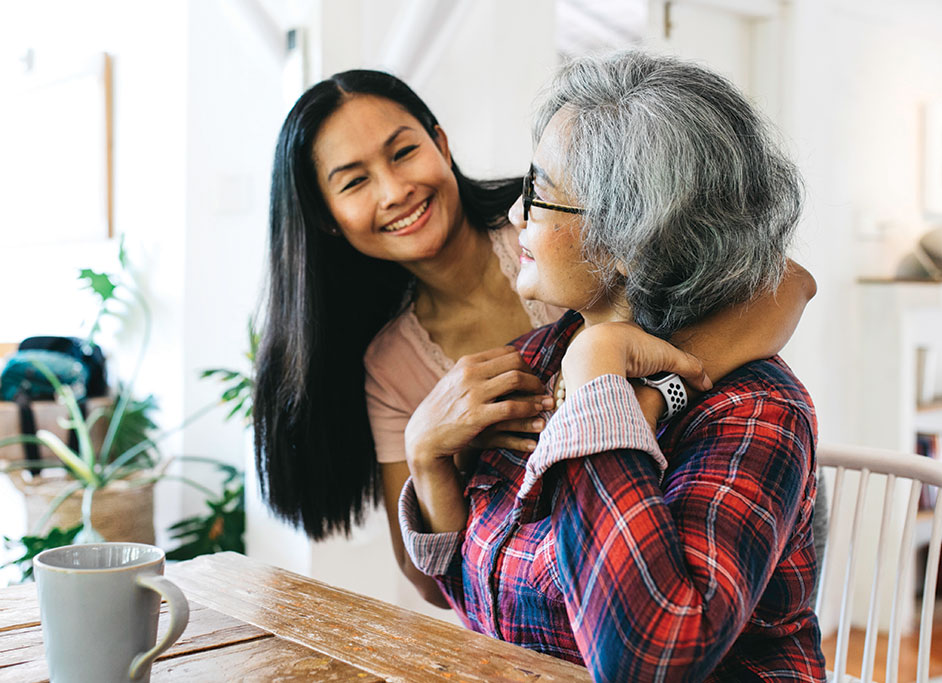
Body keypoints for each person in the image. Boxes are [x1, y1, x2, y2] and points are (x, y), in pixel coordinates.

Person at [252, 69, 817, 609]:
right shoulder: (389, 363)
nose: (395, 189)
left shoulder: (552, 241)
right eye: (354, 181)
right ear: (326, 216)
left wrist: (645, 392)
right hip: (548, 595)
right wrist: (426, 453)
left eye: (403, 152)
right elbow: (438, 586)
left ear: (440, 143)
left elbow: (786, 282)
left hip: (713, 515)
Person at [399, 50, 825, 681]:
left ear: (633, 238)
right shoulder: (542, 358)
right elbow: (490, 607)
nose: (515, 215)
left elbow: (648, 659)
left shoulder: (753, 413)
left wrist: (601, 382)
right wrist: (428, 464)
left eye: (539, 194)